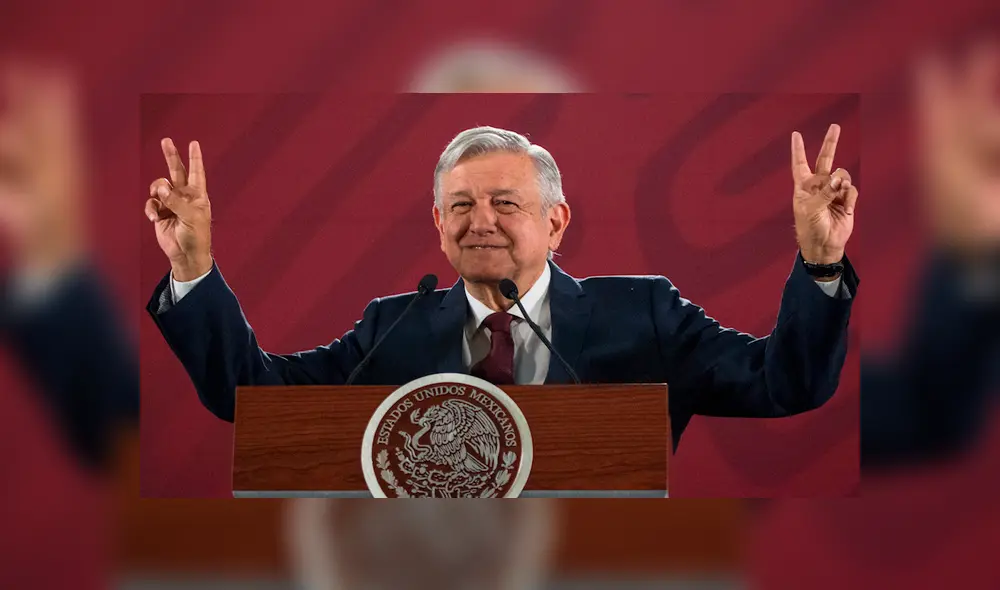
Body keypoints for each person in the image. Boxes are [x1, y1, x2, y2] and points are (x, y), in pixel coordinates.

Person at [145, 124, 859, 449]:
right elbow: (255, 401)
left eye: (505, 203)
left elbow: (785, 383)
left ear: (556, 222)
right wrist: (193, 269)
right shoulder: (391, 329)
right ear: (438, 224)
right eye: (460, 205)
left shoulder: (644, 313)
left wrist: (821, 263)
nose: (479, 221)